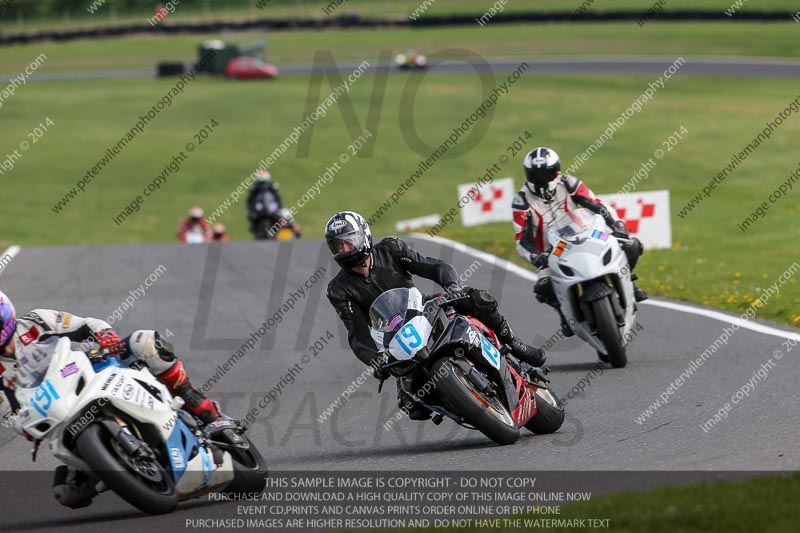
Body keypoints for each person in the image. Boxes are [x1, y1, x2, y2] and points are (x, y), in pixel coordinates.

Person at [0, 290, 228, 509]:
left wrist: (105, 335)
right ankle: (113, 469)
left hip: (92, 372)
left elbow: (87, 324)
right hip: (60, 413)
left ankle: (199, 406)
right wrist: (26, 427)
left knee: (145, 342)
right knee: (67, 494)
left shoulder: (37, 321)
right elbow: (11, 414)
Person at [325, 211, 545, 421]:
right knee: (413, 406)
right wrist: (376, 361)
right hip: (396, 342)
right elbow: (357, 334)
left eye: (348, 241)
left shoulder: (391, 249)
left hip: (424, 310)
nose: (344, 249)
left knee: (478, 299)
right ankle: (462, 404)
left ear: (363, 236)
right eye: (337, 246)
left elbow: (435, 267)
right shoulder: (338, 290)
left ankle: (514, 344)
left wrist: (453, 286)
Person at [512, 147, 647, 336]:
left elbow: (596, 204)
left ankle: (629, 282)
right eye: (536, 174)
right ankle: (564, 314)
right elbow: (522, 239)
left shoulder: (568, 183)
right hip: (553, 252)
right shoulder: (521, 200)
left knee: (632, 245)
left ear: (556, 171)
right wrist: (536, 256)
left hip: (586, 236)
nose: (541, 179)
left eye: (545, 174)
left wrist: (615, 225)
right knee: (544, 287)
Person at [247, 170, 284, 239]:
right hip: (259, 209)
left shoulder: (273, 187)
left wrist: (279, 207)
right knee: (251, 216)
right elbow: (250, 200)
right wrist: (251, 209)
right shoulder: (254, 188)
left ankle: (278, 228)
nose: (262, 185)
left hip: (271, 208)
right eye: (261, 182)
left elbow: (278, 198)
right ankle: (254, 228)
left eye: (264, 182)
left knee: (281, 216)